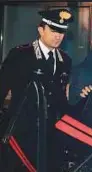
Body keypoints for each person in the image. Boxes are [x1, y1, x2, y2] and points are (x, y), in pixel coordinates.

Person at [0, 8, 73, 171]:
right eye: (54, 30)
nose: (58, 36)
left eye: (61, 32)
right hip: (21, 134)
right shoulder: (21, 55)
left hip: (50, 135)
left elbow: (60, 100)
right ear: (41, 30)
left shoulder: (65, 61)